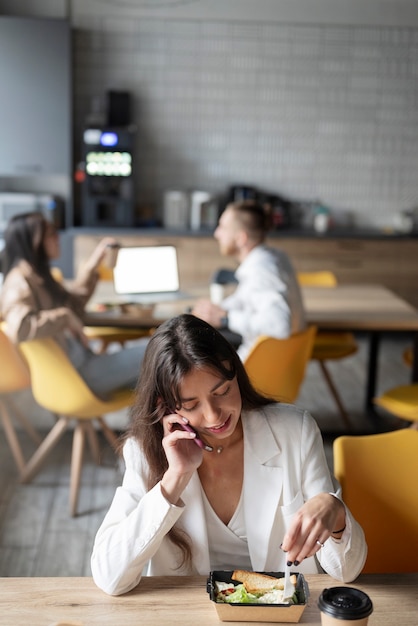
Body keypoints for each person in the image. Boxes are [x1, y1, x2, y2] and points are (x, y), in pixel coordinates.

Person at [91, 313, 367, 596]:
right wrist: (174, 479)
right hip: (188, 615)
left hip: (281, 614)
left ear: (236, 373)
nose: (213, 416)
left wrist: (335, 514)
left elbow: (347, 569)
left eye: (222, 391)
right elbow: (109, 577)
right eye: (191, 404)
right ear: (167, 405)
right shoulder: (143, 452)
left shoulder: (295, 432)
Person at [0, 211, 147, 398]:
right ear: (34, 243)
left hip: (85, 365)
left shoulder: (40, 277)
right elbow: (21, 328)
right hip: (80, 376)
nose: (58, 238)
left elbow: (74, 305)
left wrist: (94, 262)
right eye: (51, 234)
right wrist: (64, 317)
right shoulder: (19, 282)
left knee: (162, 379)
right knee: (159, 354)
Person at [191, 200, 306, 361]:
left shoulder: (261, 270)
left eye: (223, 227)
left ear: (241, 238)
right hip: (279, 363)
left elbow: (280, 325)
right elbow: (245, 298)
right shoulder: (272, 257)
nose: (217, 233)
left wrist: (226, 318)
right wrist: (217, 310)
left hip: (253, 372)